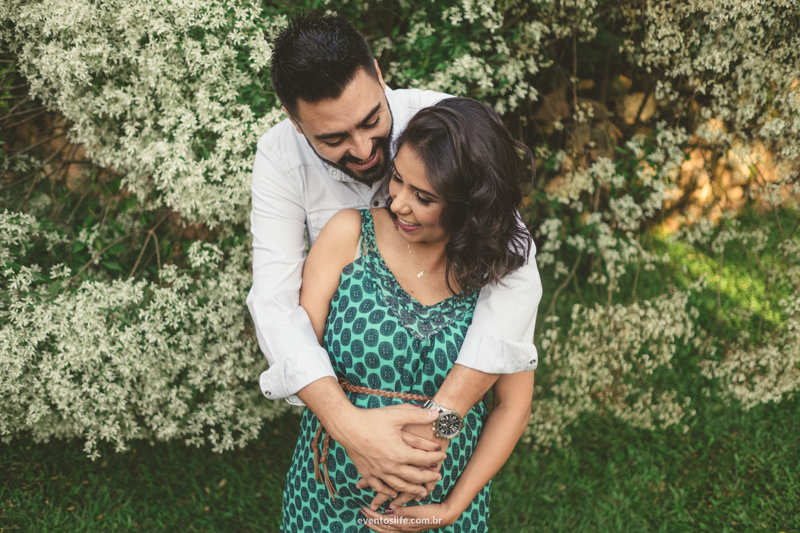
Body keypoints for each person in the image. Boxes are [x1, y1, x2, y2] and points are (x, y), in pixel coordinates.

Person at [246, 12, 542, 502]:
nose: (363, 150)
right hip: (335, 460)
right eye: (333, 139)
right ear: (296, 124)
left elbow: (514, 270)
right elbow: (275, 305)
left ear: (379, 74)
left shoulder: (447, 129)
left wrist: (436, 425)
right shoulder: (280, 158)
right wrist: (350, 427)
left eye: (371, 122)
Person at [284, 97, 536, 532]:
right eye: (398, 179)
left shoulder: (498, 281)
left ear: (468, 204)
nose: (399, 203)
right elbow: (299, 352)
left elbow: (512, 406)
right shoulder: (348, 235)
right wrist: (356, 431)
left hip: (435, 512)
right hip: (327, 497)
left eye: (423, 197)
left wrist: (453, 507)